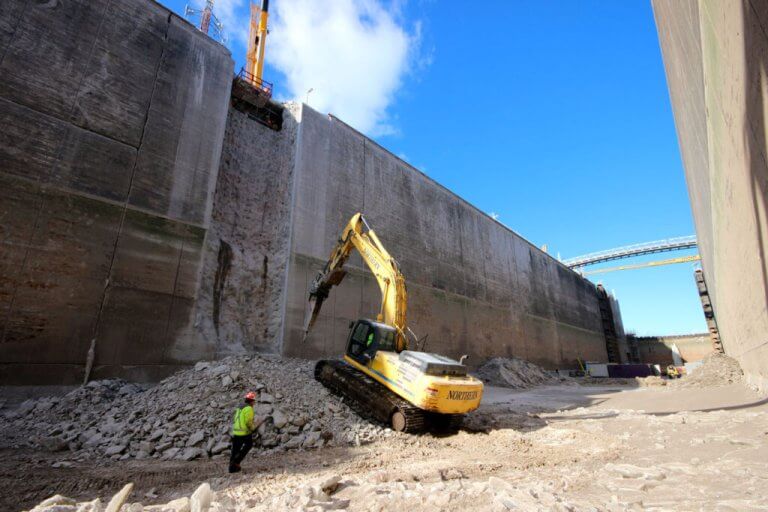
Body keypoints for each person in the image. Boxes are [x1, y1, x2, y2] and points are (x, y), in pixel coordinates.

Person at [229, 391, 257, 473]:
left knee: (235, 450)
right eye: (254, 401)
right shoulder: (249, 409)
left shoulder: (239, 407)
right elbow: (248, 421)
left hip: (236, 432)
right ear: (251, 401)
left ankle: (232, 469)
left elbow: (236, 419)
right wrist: (253, 429)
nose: (254, 403)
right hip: (244, 432)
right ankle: (237, 461)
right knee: (249, 445)